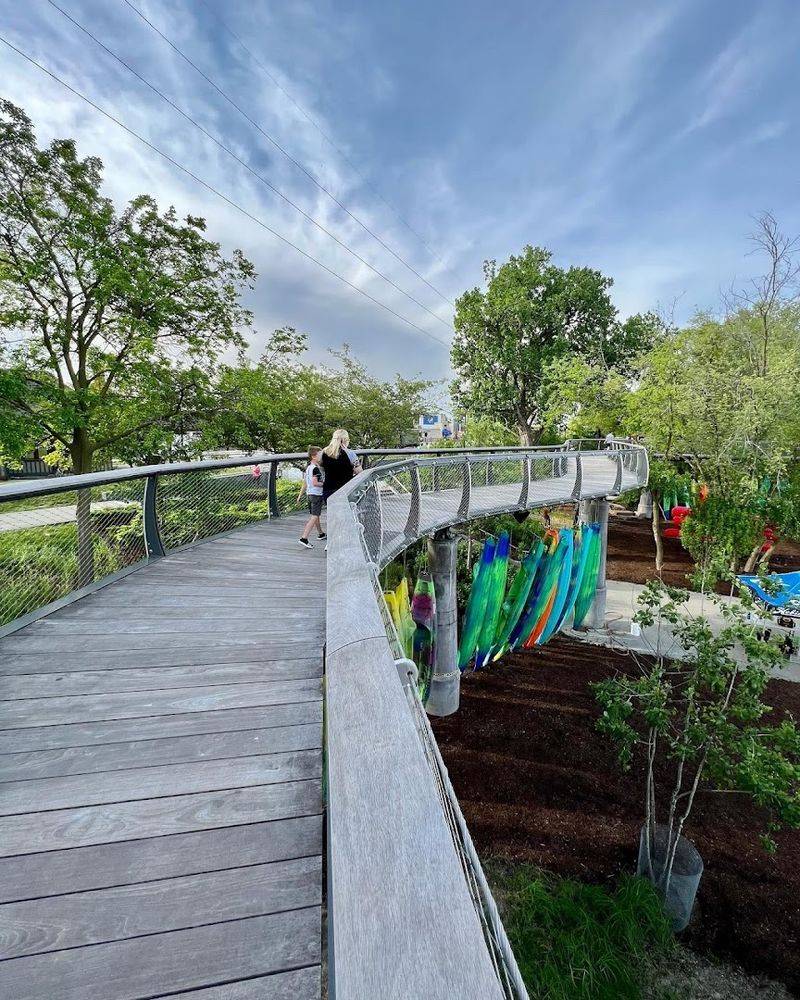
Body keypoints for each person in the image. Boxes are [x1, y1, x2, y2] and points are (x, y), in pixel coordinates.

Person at [321, 429, 362, 503]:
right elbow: (359, 472)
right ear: (344, 440)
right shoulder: (350, 453)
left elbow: (321, 469)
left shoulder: (324, 452)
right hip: (346, 490)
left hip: (328, 491)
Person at [298, 447, 326, 548]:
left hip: (309, 494)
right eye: (320, 455)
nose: (322, 457)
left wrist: (300, 495)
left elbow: (305, 483)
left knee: (315, 515)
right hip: (316, 495)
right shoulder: (315, 469)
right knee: (314, 516)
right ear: (314, 456)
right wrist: (326, 484)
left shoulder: (309, 468)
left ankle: (321, 533)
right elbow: (315, 483)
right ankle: (304, 538)